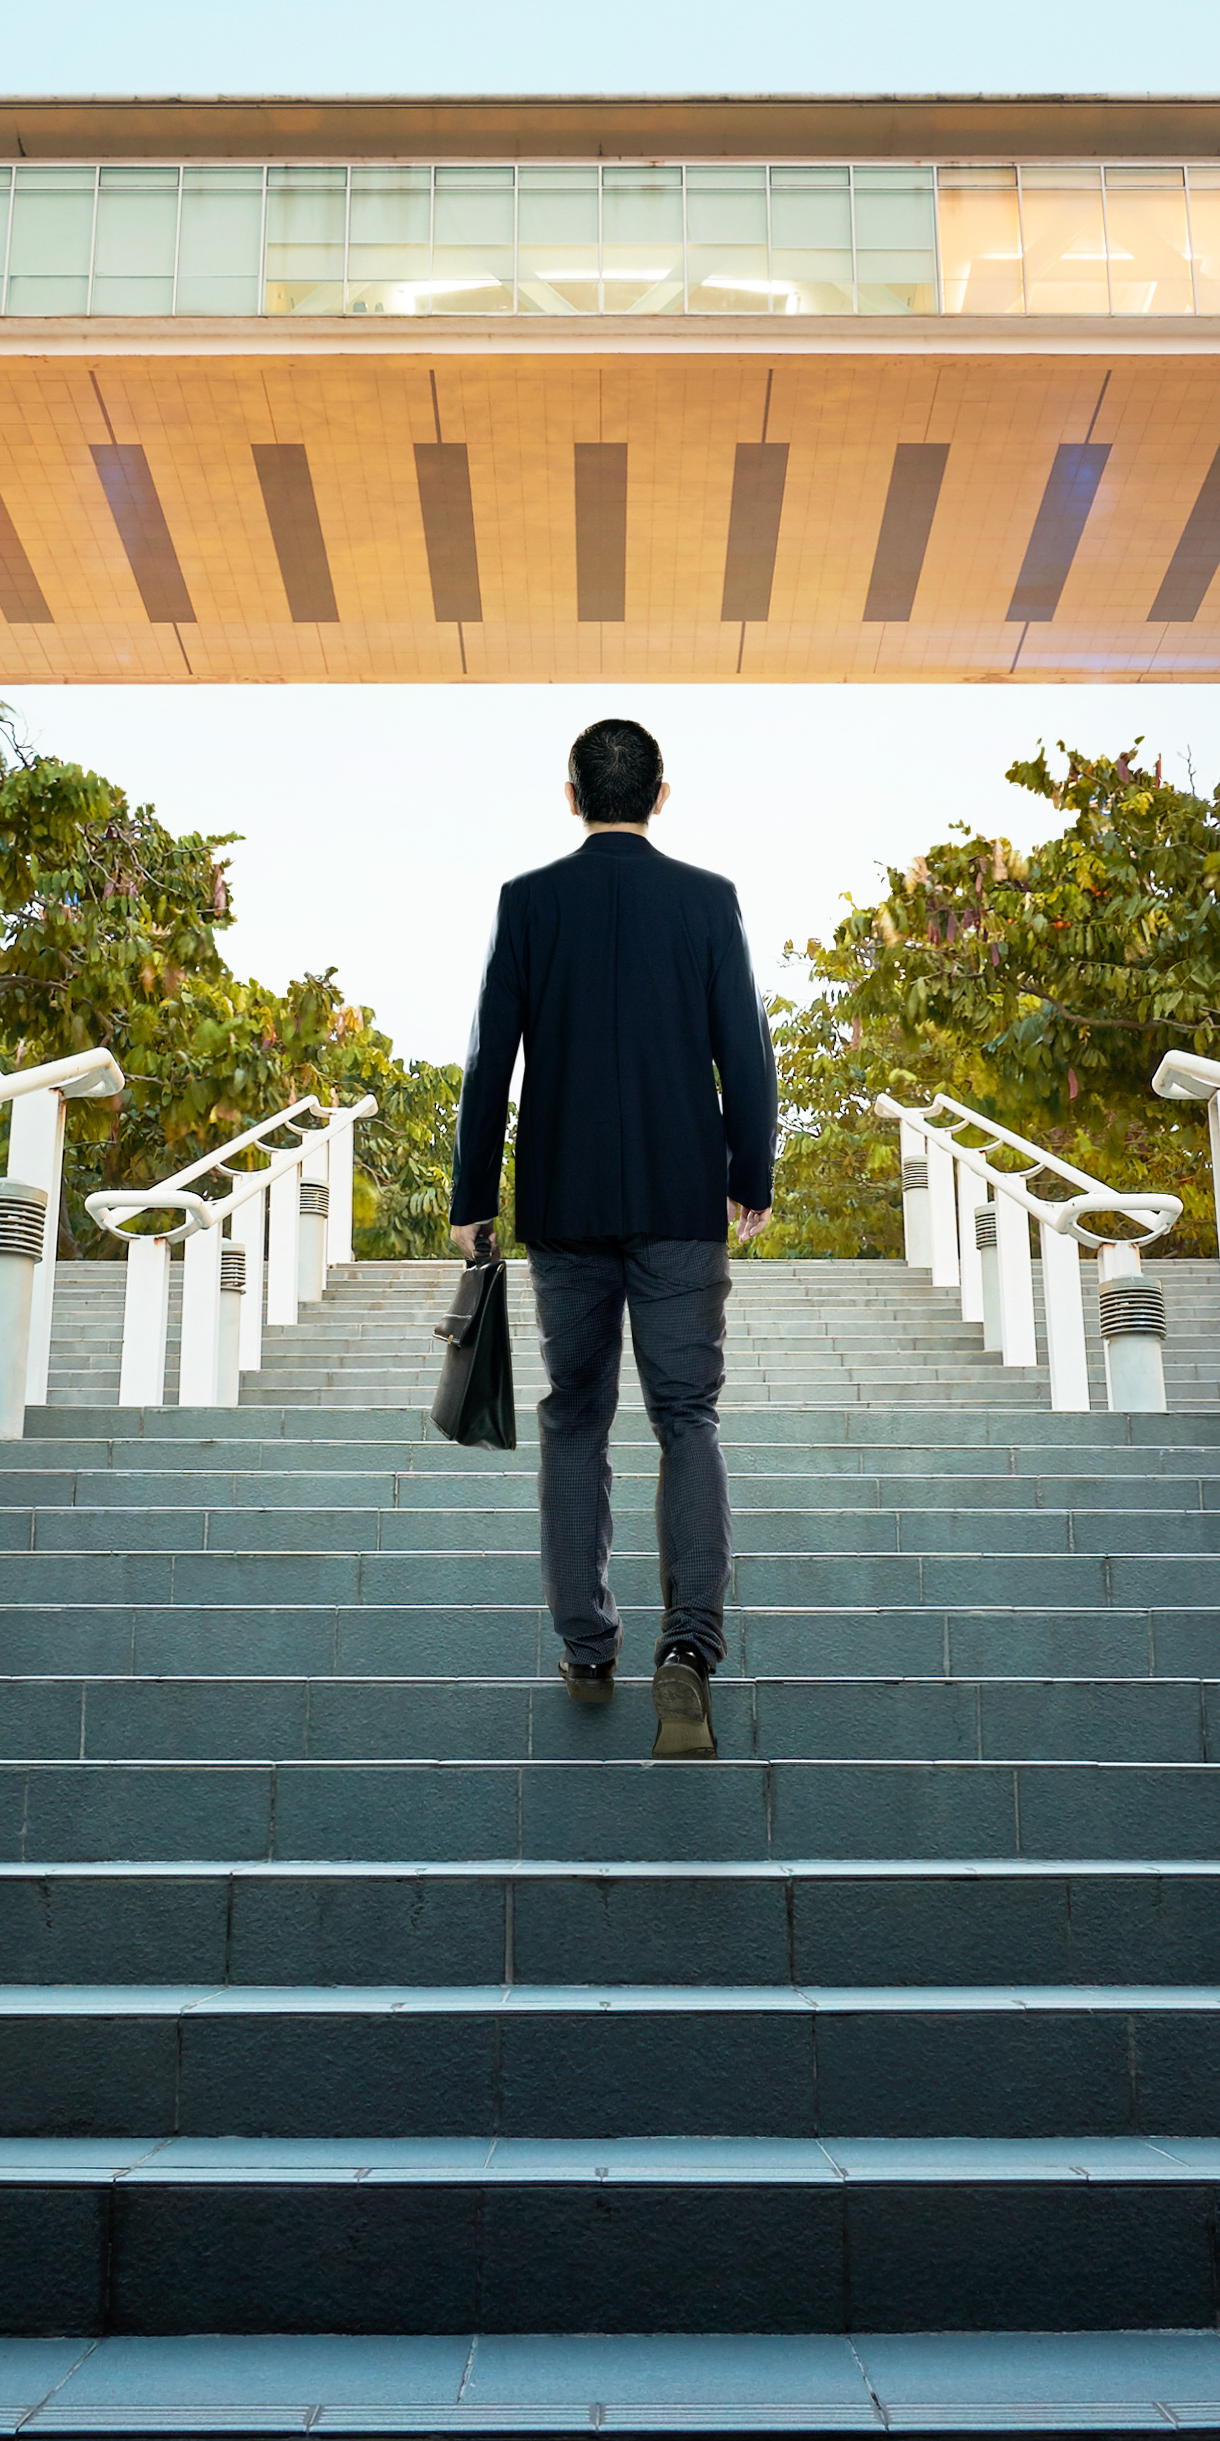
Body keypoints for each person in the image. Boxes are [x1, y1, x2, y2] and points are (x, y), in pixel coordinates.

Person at [450, 715, 778, 1757]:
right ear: (661, 794)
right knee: (689, 1418)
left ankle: (588, 1647)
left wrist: (473, 1197)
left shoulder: (530, 902)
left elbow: (487, 1061)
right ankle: (688, 1650)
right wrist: (750, 1175)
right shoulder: (707, 901)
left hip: (566, 1204)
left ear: (572, 794)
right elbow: (747, 1054)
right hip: (683, 1200)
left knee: (575, 1420)